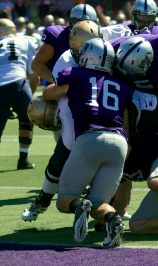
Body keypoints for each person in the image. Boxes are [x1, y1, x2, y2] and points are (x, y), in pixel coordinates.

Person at [43, 38, 133, 247]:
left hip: (90, 138)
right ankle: (113, 220)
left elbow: (48, 93)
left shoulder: (75, 74)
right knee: (99, 203)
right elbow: (126, 114)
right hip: (119, 142)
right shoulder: (122, 85)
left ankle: (79, 205)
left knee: (65, 200)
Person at [21, 20, 101, 222]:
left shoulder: (105, 49)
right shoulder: (66, 60)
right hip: (74, 111)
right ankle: (43, 199)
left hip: (101, 114)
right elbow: (59, 92)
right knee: (63, 153)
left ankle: (108, 208)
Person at [0, 19, 39, 169]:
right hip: (18, 86)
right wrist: (29, 97)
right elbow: (35, 75)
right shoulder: (26, 41)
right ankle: (23, 160)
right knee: (27, 121)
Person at [32, 4, 97, 84]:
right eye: (78, 23)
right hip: (59, 90)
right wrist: (57, 82)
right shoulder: (57, 36)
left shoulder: (100, 39)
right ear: (71, 22)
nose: (83, 27)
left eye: (88, 23)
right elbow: (37, 64)